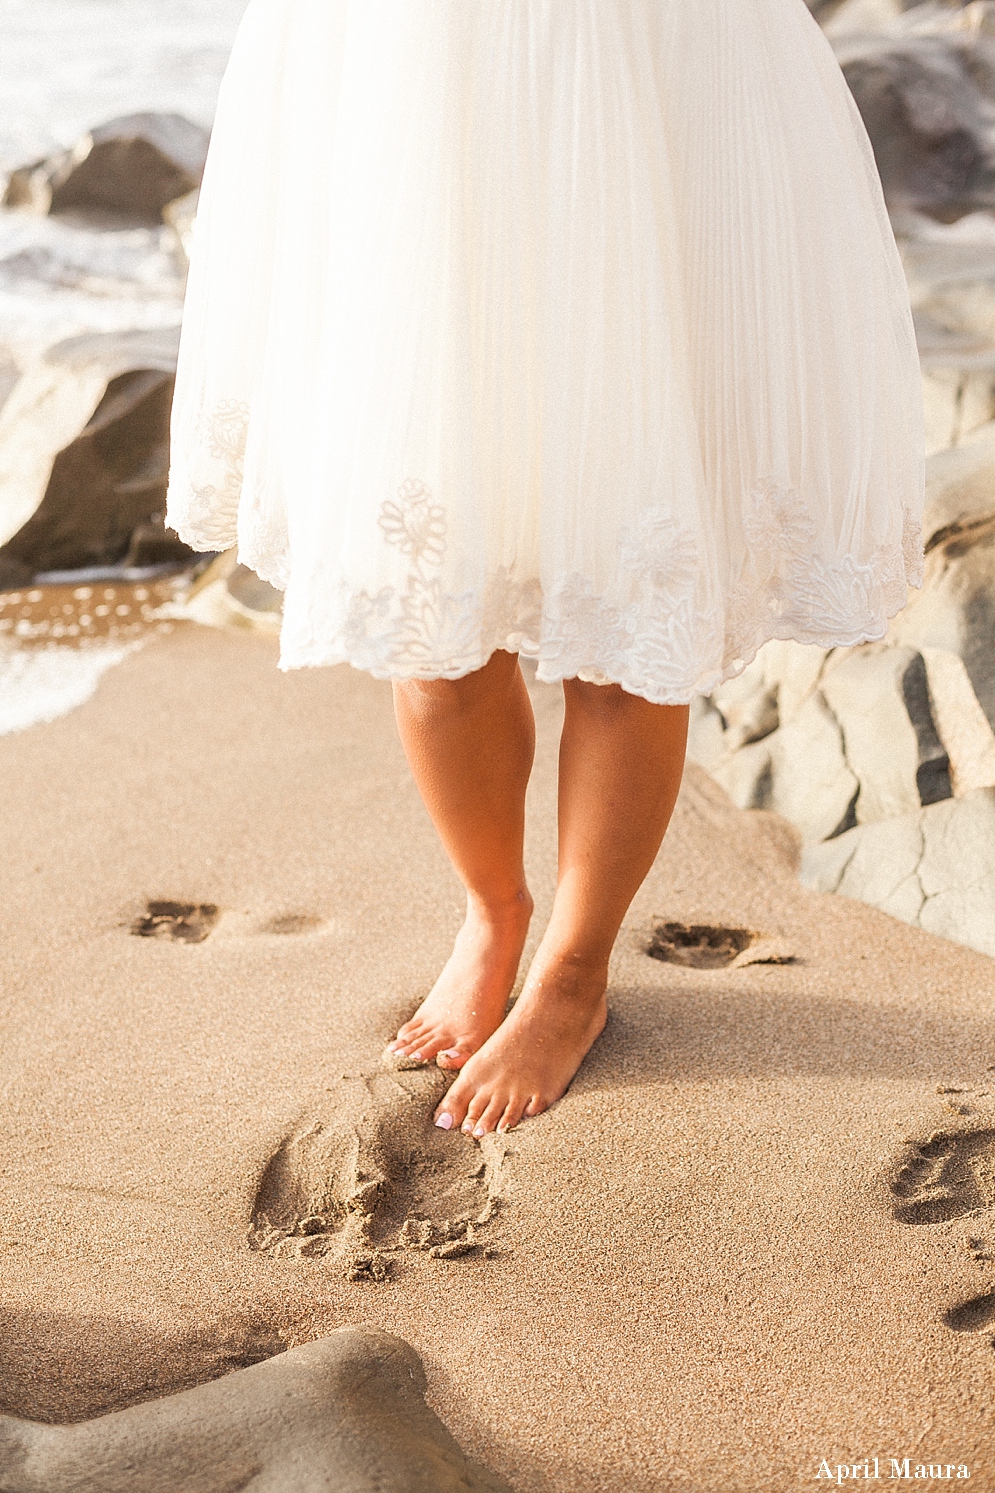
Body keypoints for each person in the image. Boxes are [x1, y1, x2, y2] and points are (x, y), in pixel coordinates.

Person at [166, 0, 925, 1138]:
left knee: (627, 581)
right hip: (405, 73)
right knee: (428, 613)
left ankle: (571, 969)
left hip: (639, 61)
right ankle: (491, 911)